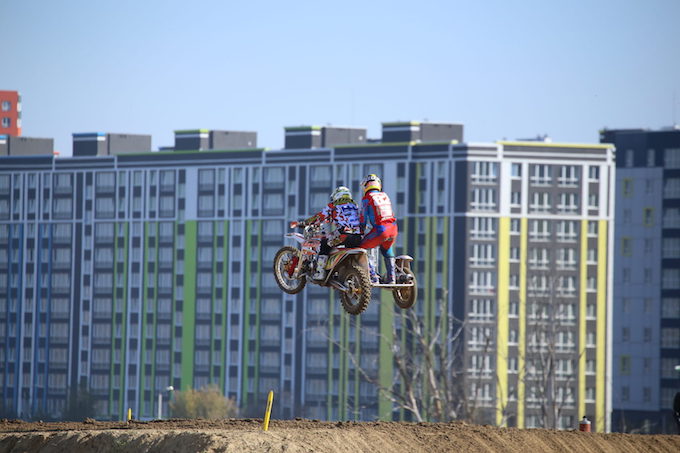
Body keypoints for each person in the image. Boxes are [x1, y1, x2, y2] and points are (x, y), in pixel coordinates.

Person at [299, 186, 362, 280]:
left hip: (343, 235)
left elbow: (319, 217)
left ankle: (320, 272)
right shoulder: (355, 205)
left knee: (325, 243)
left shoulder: (333, 205)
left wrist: (305, 223)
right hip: (359, 237)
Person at [359, 174, 398, 284]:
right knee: (386, 250)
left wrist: (361, 230)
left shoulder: (367, 198)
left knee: (361, 248)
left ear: (366, 185)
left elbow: (363, 218)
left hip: (381, 230)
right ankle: (392, 278)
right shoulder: (384, 196)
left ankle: (373, 276)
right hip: (393, 228)